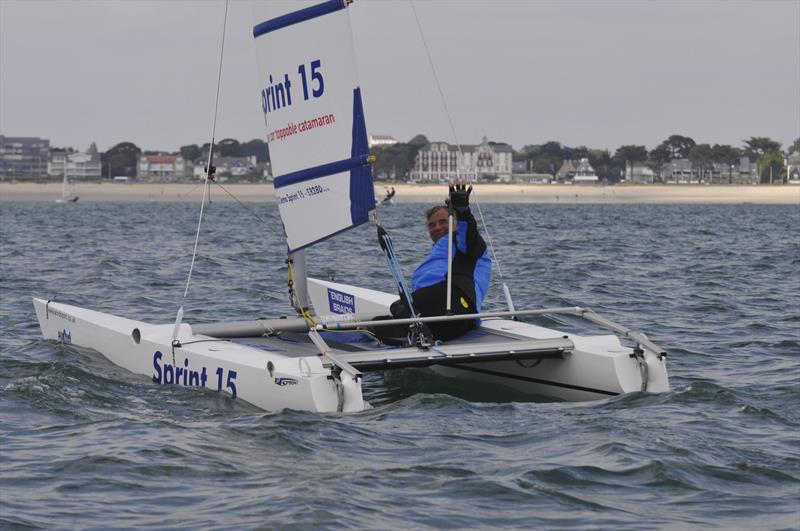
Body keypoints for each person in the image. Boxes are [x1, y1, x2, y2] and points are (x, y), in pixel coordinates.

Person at [389, 183, 491, 341]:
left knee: (400, 306)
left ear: (455, 222)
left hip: (456, 306)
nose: (437, 228)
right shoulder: (437, 253)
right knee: (385, 321)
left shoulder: (465, 244)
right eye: (432, 225)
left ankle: (419, 336)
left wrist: (463, 211)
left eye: (443, 222)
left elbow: (469, 235)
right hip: (440, 321)